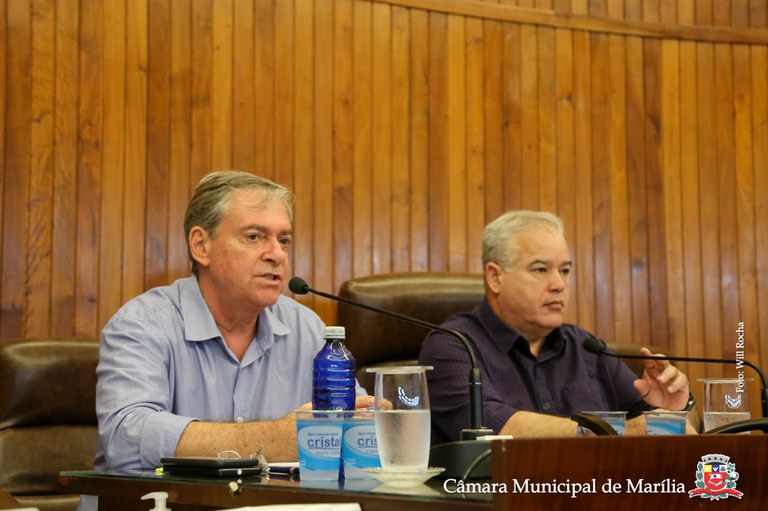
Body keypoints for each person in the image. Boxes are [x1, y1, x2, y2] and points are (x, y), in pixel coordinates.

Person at [93, 171, 370, 472]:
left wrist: (372, 422)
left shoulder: (307, 328)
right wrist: (274, 439)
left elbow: (353, 423)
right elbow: (126, 439)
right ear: (201, 246)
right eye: (254, 237)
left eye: (284, 240)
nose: (277, 254)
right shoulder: (141, 325)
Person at [419, 210, 696, 443]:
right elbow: (497, 429)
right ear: (495, 277)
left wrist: (674, 410)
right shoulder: (452, 346)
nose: (559, 284)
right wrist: (621, 430)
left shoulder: (586, 348)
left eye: (564, 271)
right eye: (540, 270)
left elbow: (661, 425)